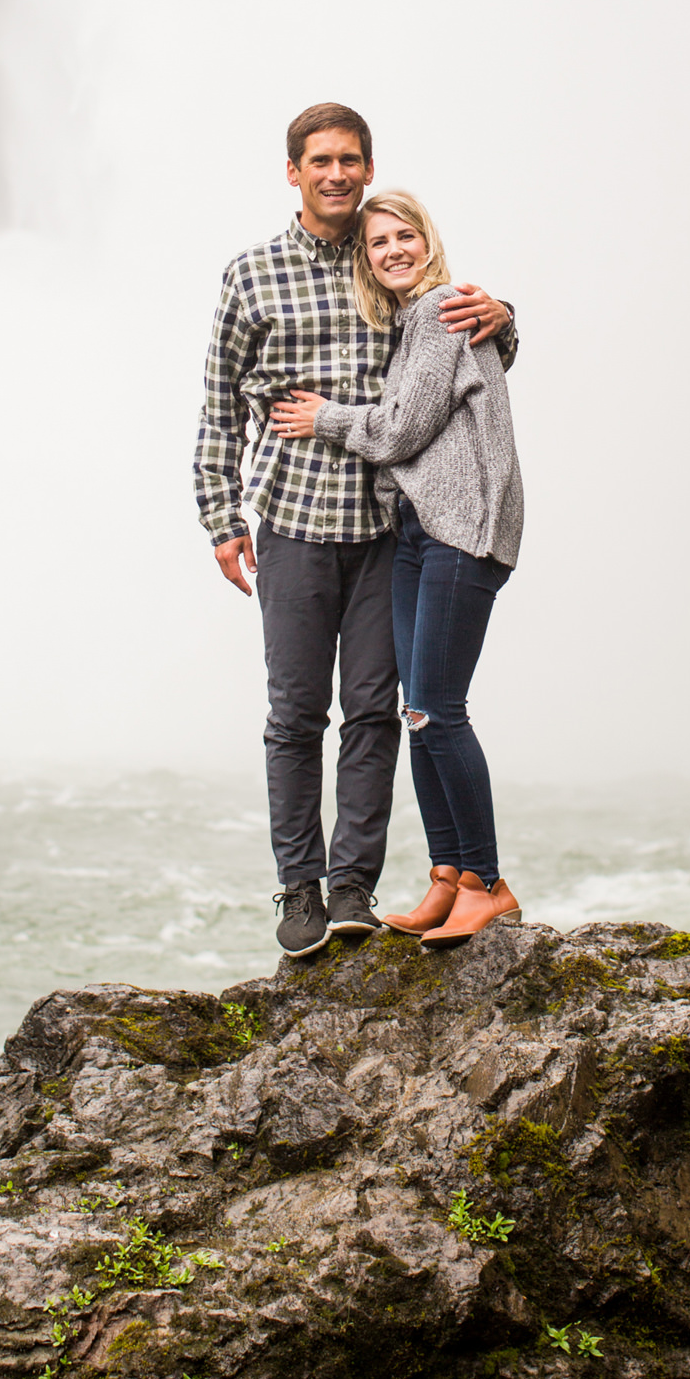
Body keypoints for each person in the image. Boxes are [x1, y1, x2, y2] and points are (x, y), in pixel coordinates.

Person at [194, 104, 516, 958]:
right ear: (293, 173)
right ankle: (300, 888)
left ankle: (352, 889)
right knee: (296, 715)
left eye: (350, 160)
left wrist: (503, 313)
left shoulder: (388, 265)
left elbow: (461, 349)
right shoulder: (251, 275)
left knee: (377, 713)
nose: (336, 173)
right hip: (293, 521)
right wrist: (221, 517)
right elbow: (220, 407)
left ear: (368, 169)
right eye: (320, 161)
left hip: (386, 526)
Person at [272, 189, 523, 947]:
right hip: (416, 531)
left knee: (439, 710)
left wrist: (323, 419)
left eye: (403, 235)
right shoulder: (415, 321)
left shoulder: (443, 308)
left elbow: (403, 429)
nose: (392, 251)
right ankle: (448, 876)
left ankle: (486, 883)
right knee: (418, 713)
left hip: (459, 530)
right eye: (377, 243)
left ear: (427, 240)